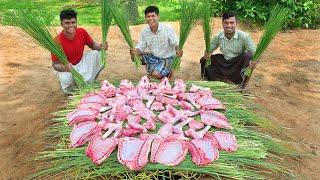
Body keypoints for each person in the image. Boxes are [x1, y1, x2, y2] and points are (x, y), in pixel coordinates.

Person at [51, 9, 108, 93]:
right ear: (61, 24)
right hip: (67, 67)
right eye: (67, 23)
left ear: (76, 22)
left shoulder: (81, 32)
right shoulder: (56, 41)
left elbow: (92, 45)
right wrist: (64, 67)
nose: (71, 25)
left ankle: (90, 82)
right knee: (66, 80)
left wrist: (101, 47)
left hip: (80, 62)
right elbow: (55, 64)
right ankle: (70, 91)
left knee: (100, 55)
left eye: (73, 22)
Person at [200, 11, 257, 86]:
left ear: (236, 23)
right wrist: (207, 54)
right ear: (222, 24)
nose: (229, 25)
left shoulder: (244, 37)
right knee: (203, 60)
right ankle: (212, 77)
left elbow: (255, 54)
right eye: (226, 23)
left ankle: (243, 84)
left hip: (237, 63)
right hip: (224, 61)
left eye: (232, 22)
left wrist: (253, 63)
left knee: (247, 56)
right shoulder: (218, 36)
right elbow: (209, 50)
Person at [129, 6, 183, 80]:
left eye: (153, 16)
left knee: (156, 75)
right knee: (135, 57)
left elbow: (176, 43)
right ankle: (160, 70)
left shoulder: (167, 28)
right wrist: (135, 52)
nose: (151, 18)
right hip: (153, 57)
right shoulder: (144, 31)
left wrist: (178, 51)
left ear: (158, 17)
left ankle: (165, 70)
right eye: (148, 16)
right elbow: (140, 46)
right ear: (145, 18)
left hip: (167, 58)